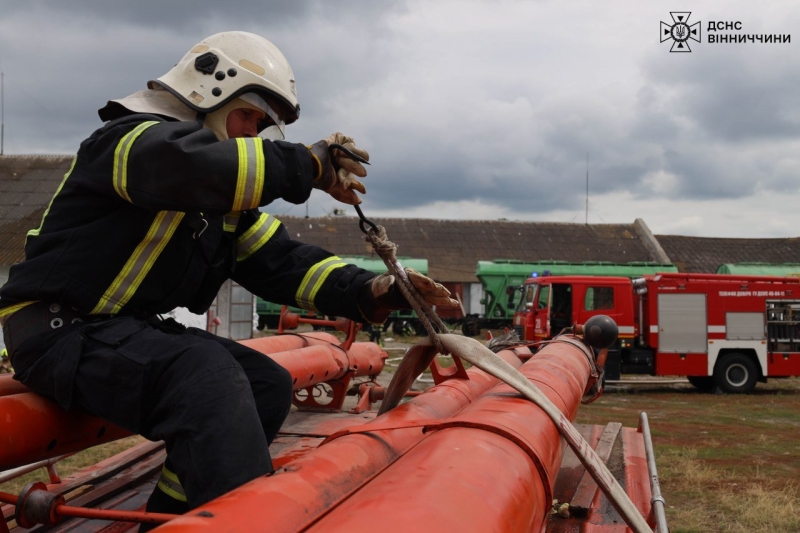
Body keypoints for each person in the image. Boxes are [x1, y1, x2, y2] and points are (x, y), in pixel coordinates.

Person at [0, 31, 457, 525]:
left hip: (114, 330)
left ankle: (180, 516)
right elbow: (198, 168)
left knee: (266, 383)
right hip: (55, 329)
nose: (253, 135)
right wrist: (308, 164)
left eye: (262, 127)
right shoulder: (129, 144)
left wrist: (375, 291)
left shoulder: (219, 204)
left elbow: (286, 263)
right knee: (206, 379)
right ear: (207, 96)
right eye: (249, 117)